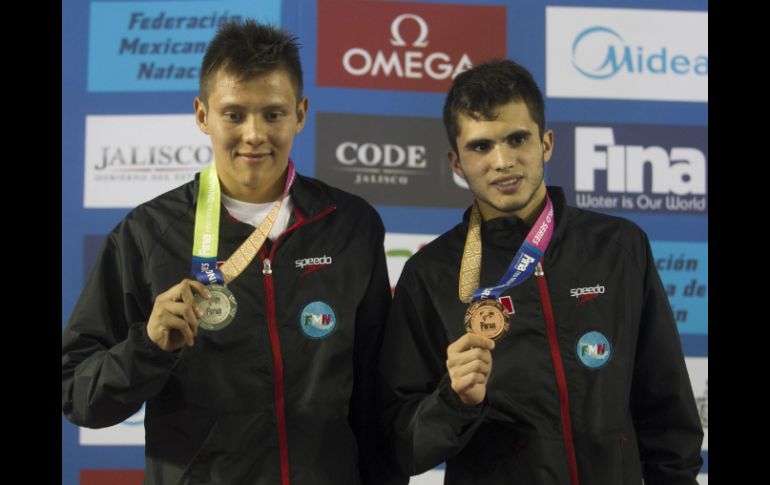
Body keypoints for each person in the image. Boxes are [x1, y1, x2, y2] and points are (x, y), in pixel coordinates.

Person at [62, 20, 403, 485]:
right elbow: (77, 396)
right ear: (203, 114)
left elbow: (375, 391)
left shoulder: (350, 225)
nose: (254, 134)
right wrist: (148, 346)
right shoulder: (148, 235)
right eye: (234, 114)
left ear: (300, 114)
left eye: (273, 114)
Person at [378, 59, 703, 484]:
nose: (503, 161)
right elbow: (400, 446)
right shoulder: (431, 273)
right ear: (456, 163)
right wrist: (454, 402)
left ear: (546, 144)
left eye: (517, 139)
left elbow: (667, 408)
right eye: (481, 146)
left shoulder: (618, 247)